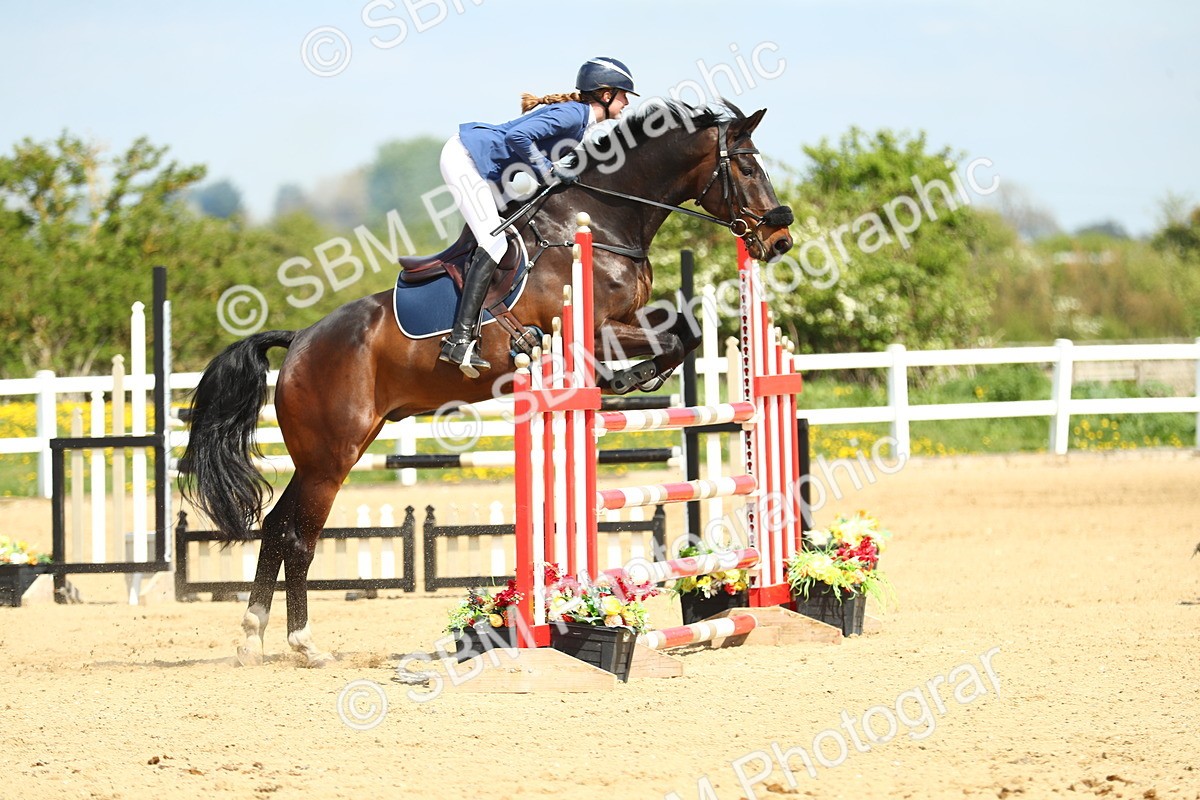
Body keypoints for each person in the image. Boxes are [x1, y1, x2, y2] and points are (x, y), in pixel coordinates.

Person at [437, 56, 637, 377]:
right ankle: (459, 339)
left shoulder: (580, 125)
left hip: (489, 170)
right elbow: (517, 139)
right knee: (495, 244)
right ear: (605, 94)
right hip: (466, 159)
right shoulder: (574, 115)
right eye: (623, 94)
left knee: (512, 232)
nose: (627, 102)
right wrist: (548, 171)